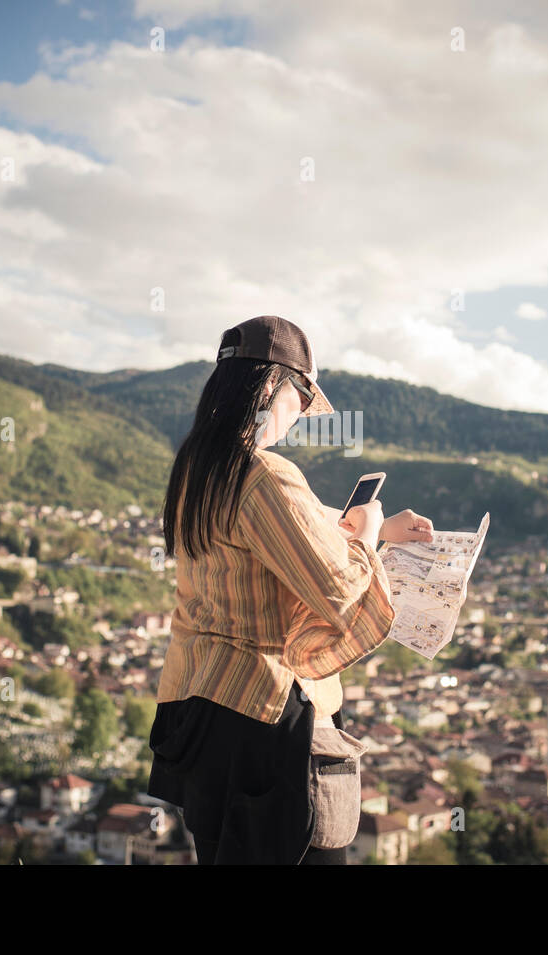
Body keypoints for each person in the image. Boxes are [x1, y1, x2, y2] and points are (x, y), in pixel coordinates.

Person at [147, 314, 434, 865]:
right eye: (303, 395)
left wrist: (367, 526)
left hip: (199, 712)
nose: (303, 412)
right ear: (272, 386)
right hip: (265, 715)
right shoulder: (263, 474)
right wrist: (370, 535)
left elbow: (295, 524)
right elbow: (339, 586)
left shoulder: (196, 468)